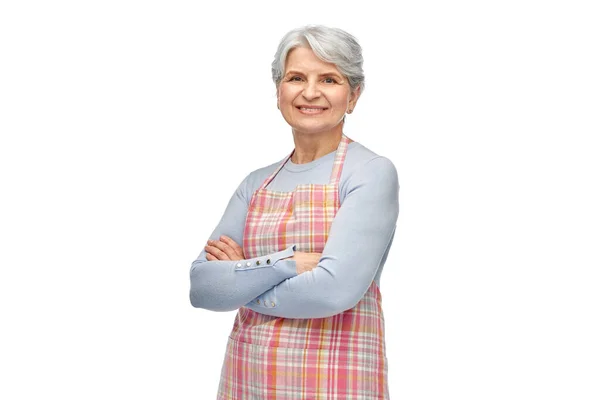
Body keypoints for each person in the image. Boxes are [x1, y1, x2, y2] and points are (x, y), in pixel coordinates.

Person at [189, 24, 399, 399]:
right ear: (278, 91)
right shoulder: (256, 183)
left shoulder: (370, 173)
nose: (311, 92)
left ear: (353, 95)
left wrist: (241, 281)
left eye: (329, 79)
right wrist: (289, 263)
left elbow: (333, 292)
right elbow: (203, 287)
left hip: (335, 382)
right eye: (296, 77)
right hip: (247, 379)